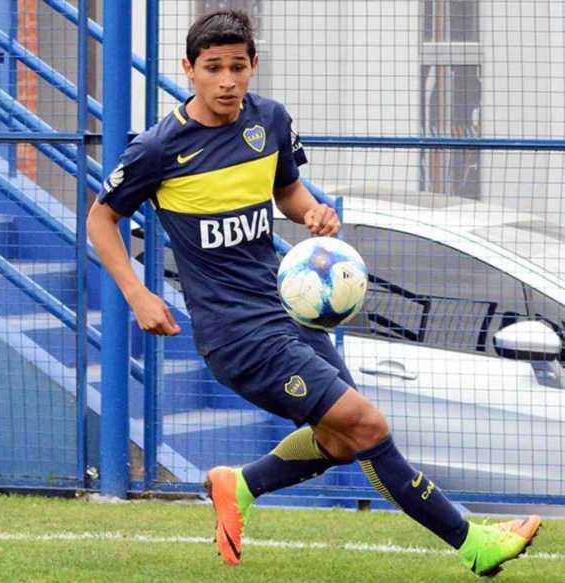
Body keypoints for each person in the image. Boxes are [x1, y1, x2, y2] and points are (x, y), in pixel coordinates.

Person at [87, 9, 540, 576]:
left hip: (290, 312)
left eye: (237, 66)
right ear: (189, 69)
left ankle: (240, 484)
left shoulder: (270, 121)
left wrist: (313, 214)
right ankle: (473, 543)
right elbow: (101, 218)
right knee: (367, 425)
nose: (226, 80)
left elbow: (289, 192)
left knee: (344, 439)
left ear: (253, 65)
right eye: (212, 68)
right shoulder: (159, 148)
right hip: (237, 334)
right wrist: (136, 292)